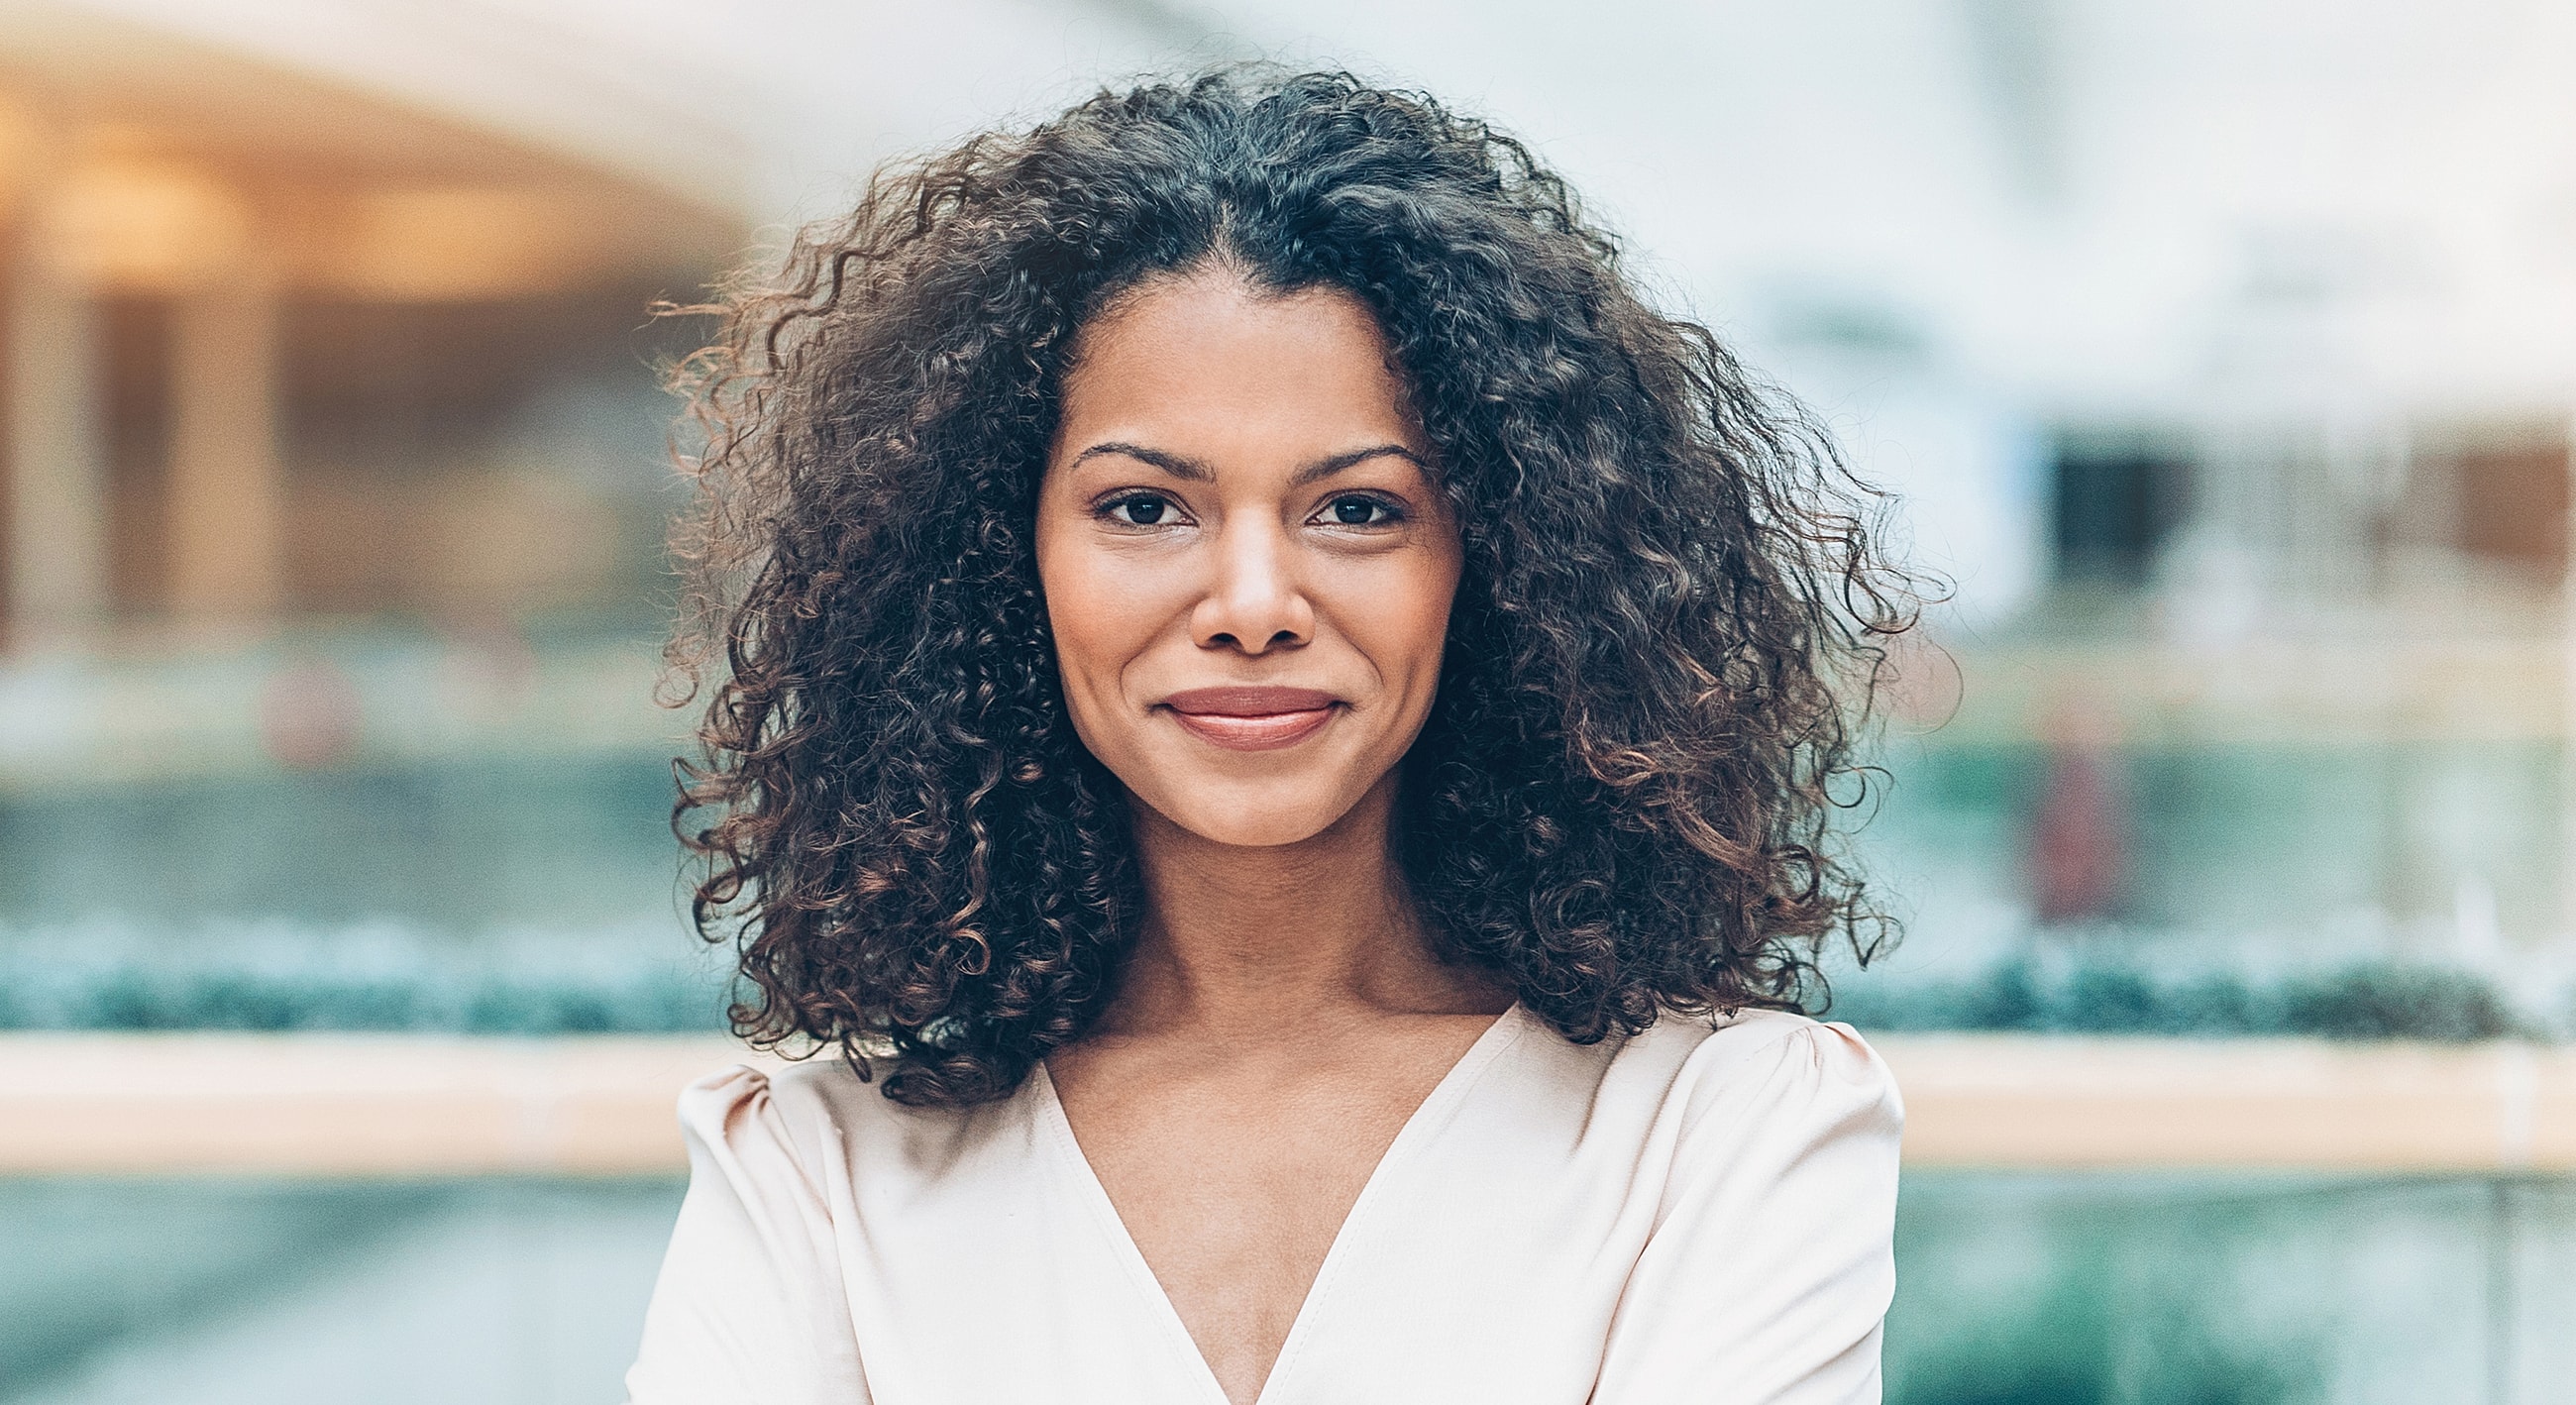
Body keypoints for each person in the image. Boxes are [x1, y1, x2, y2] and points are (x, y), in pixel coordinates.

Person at [628, 68, 1917, 1405]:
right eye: (1143, 508)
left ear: (1499, 558)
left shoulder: (1726, 1130)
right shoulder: (814, 1173)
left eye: (1358, 510)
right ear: (1005, 559)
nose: (1252, 605)